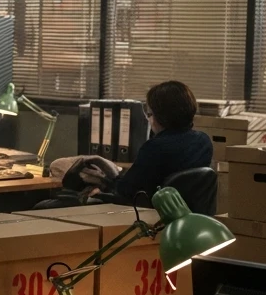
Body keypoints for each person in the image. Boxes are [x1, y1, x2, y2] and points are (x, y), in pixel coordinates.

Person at [80, 80, 213, 204]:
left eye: (150, 114)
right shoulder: (203, 141)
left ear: (160, 117)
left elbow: (126, 191)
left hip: (150, 213)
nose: (149, 120)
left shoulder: (155, 148)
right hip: (185, 213)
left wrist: (106, 180)